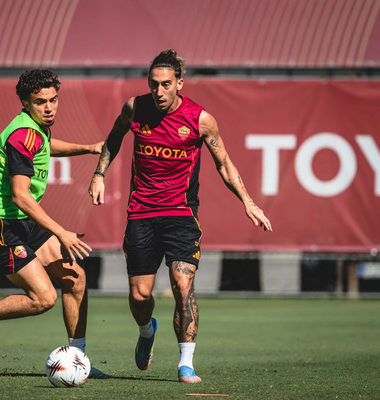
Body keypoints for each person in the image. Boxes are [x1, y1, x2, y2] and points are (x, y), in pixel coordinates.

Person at [88, 49, 272, 383]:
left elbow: (224, 164)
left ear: (180, 84)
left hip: (181, 214)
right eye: (154, 84)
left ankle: (186, 363)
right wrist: (99, 174)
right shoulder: (134, 108)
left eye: (166, 84)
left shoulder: (200, 119)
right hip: (141, 213)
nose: (159, 91)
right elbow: (113, 139)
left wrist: (248, 201)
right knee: (140, 295)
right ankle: (147, 331)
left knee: (182, 284)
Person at [0, 69, 109, 378]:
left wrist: (87, 148)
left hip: (18, 220)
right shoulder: (22, 135)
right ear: (25, 103)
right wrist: (61, 232)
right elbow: (21, 196)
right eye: (40, 102)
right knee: (44, 298)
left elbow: (46, 146)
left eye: (53, 100)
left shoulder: (37, 129)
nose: (49, 108)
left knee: (75, 278)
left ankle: (78, 359)